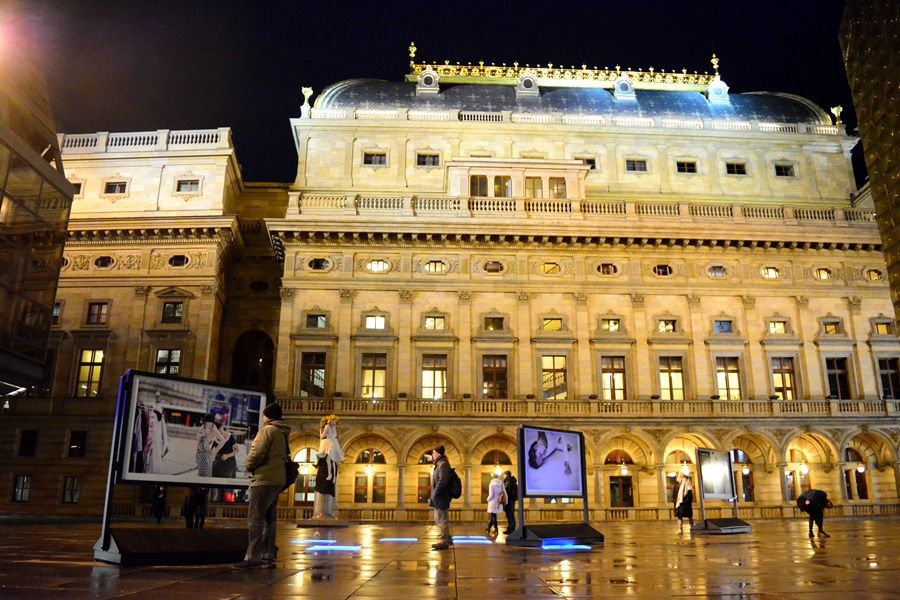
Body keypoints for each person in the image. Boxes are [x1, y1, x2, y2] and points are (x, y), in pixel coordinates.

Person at [234, 403, 290, 569]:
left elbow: (257, 452)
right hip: (277, 479)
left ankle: (253, 556)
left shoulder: (267, 430)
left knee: (255, 518)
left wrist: (248, 465)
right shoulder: (282, 432)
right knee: (269, 519)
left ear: (267, 416)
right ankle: (268, 554)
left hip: (264, 478)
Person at [312, 414, 344, 519]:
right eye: (333, 421)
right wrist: (323, 431)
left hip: (332, 444)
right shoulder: (327, 427)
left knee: (331, 459)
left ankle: (331, 474)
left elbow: (334, 436)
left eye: (335, 421)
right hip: (327, 444)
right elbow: (322, 436)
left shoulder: (333, 428)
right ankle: (329, 473)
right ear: (330, 421)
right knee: (327, 459)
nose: (335, 422)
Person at [428, 445, 453, 550]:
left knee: (442, 520)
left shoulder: (442, 464)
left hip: (441, 497)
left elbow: (442, 481)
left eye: (433, 453)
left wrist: (434, 494)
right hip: (439, 497)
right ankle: (447, 538)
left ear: (438, 454)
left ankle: (445, 541)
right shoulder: (439, 464)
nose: (432, 455)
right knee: (438, 519)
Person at [502, 470, 518, 534]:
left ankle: (511, 529)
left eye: (504, 475)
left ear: (506, 475)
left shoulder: (509, 482)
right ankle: (511, 528)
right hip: (510, 500)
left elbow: (508, 491)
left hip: (509, 500)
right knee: (510, 515)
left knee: (510, 515)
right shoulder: (511, 481)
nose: (503, 476)